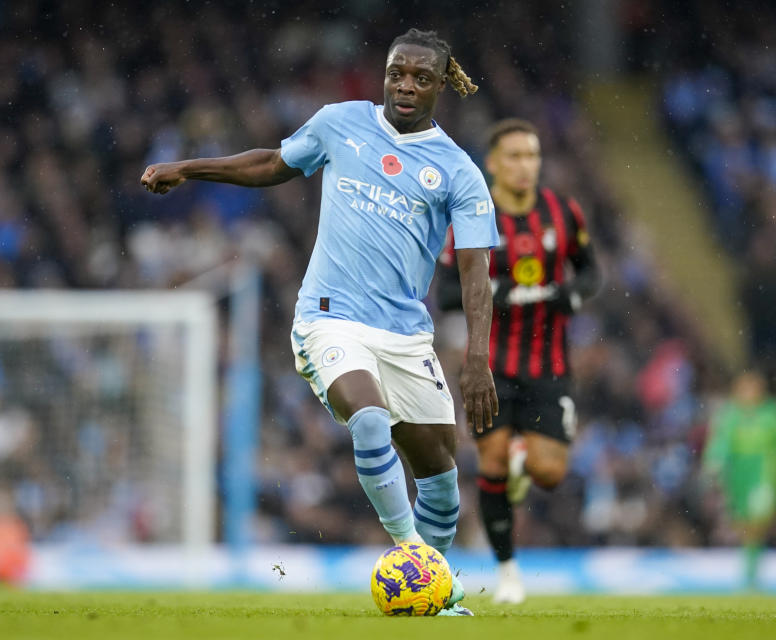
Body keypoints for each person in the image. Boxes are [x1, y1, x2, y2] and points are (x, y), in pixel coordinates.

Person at [141, 28, 498, 615]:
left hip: (407, 334)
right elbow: (271, 163)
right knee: (369, 417)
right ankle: (413, 557)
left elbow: (476, 271)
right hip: (329, 317)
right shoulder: (339, 122)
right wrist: (190, 167)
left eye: (420, 78)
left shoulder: (457, 170)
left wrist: (479, 357)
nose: (405, 85)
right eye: (396, 73)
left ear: (440, 87)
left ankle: (431, 593)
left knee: (440, 473)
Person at [437, 118, 600, 604]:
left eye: (531, 155)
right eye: (513, 156)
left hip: (549, 365)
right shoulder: (472, 215)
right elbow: (447, 293)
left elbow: (591, 272)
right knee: (491, 461)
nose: (524, 165)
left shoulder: (561, 211)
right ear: (492, 163)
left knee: (550, 475)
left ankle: (526, 456)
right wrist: (497, 292)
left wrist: (572, 295)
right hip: (488, 366)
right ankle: (508, 572)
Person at [703, 370, 776, 590]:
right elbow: (720, 442)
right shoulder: (730, 414)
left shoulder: (774, 413)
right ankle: (751, 572)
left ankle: (750, 574)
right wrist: (714, 461)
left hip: (765, 473)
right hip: (739, 475)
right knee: (743, 525)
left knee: (758, 521)